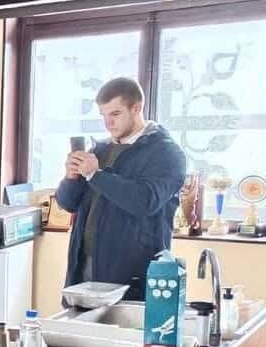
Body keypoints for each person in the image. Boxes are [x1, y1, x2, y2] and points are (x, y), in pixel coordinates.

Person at [56, 77, 186, 300]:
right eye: (104, 115)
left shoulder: (167, 153)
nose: (108, 123)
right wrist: (71, 178)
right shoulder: (100, 149)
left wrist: (96, 175)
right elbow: (68, 203)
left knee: (125, 323)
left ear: (136, 108)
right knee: (79, 323)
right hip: (84, 266)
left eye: (115, 114)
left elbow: (146, 201)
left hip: (131, 274)